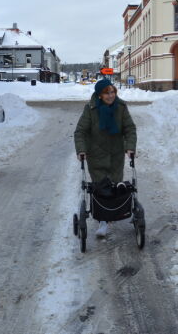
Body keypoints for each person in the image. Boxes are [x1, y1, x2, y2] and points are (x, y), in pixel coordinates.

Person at [74, 79, 137, 237]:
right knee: (102, 188)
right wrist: (81, 150)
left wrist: (130, 146)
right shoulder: (91, 109)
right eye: (106, 93)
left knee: (116, 186)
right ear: (99, 95)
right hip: (96, 156)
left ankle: (117, 212)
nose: (111, 95)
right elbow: (80, 132)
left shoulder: (121, 107)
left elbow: (130, 128)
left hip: (116, 155)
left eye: (112, 92)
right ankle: (103, 220)